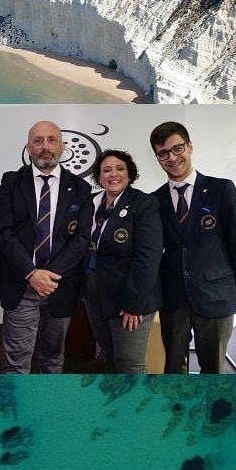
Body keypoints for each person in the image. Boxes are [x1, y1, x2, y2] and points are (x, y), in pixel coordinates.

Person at [149, 121, 236, 373]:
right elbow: (152, 252)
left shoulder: (222, 189)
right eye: (163, 153)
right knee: (173, 368)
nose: (172, 157)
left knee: (213, 368)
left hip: (216, 295)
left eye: (177, 148)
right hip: (173, 299)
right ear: (157, 158)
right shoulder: (154, 200)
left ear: (190, 147)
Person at [0, 120, 92, 374]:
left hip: (60, 286)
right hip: (22, 284)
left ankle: (47, 409)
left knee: (53, 359)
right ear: (28, 148)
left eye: (51, 140)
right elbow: (4, 232)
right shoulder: (11, 182)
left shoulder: (80, 188)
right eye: (38, 141)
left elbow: (82, 238)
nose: (44, 147)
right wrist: (31, 273)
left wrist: (48, 276)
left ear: (62, 146)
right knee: (16, 363)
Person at [80, 149, 162, 374]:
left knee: (129, 365)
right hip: (95, 297)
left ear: (129, 174)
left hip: (128, 300)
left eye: (119, 169)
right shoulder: (90, 203)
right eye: (106, 170)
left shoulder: (144, 203)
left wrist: (134, 304)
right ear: (99, 177)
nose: (113, 174)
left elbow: (148, 257)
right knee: (109, 356)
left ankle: (135, 409)